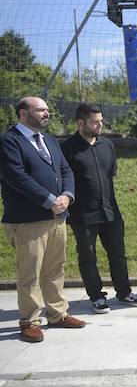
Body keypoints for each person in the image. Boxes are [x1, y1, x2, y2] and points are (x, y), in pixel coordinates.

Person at [0, 97, 86, 343]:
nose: (46, 113)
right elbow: (16, 177)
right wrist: (50, 200)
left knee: (54, 269)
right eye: (40, 110)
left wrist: (67, 197)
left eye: (47, 110)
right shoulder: (9, 141)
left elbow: (66, 170)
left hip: (58, 216)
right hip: (29, 219)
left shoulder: (49, 140)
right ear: (23, 113)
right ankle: (30, 321)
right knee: (30, 272)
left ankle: (57, 314)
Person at [61, 104, 137, 314]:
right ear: (81, 123)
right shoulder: (67, 148)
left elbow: (111, 174)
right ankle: (96, 297)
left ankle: (124, 292)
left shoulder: (107, 145)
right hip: (82, 214)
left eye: (101, 120)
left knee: (118, 254)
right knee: (88, 257)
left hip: (110, 210)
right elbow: (64, 179)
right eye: (95, 121)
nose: (100, 124)